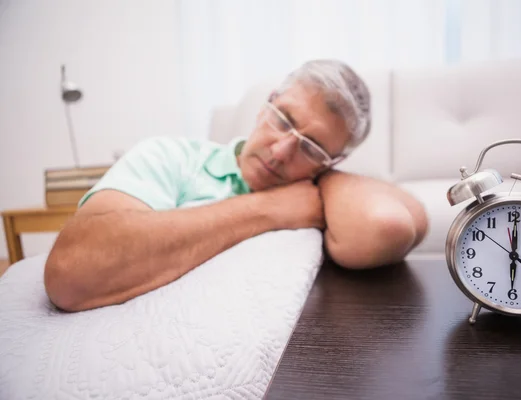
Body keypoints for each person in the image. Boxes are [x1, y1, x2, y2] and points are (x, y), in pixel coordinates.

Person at [44, 59, 429, 312]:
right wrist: (269, 210)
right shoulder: (170, 157)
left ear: (334, 161)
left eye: (310, 147)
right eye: (282, 119)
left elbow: (385, 227)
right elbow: (71, 272)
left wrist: (325, 177)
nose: (280, 152)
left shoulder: (322, 195)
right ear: (266, 105)